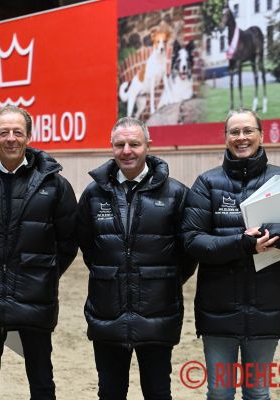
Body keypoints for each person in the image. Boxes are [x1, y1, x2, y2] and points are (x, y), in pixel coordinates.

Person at [182, 108, 280, 400]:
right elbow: (192, 240)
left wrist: (272, 232)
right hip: (218, 309)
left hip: (267, 307)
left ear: (261, 136)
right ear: (225, 138)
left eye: (248, 130)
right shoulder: (207, 183)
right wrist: (242, 244)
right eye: (234, 131)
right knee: (220, 392)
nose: (241, 137)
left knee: (258, 392)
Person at [0, 105, 78, 400]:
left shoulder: (54, 184)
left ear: (29, 136)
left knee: (42, 382)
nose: (11, 138)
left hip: (35, 298)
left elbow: (68, 242)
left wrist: (43, 274)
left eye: (18, 132)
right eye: (4, 132)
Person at [76, 117, 197, 400]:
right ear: (112, 147)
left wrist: (163, 280)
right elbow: (88, 246)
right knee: (110, 392)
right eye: (120, 145)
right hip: (107, 312)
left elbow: (187, 252)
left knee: (157, 392)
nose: (127, 151)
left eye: (134, 143)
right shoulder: (93, 194)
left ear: (148, 146)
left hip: (158, 312)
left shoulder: (176, 193)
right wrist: (112, 274)